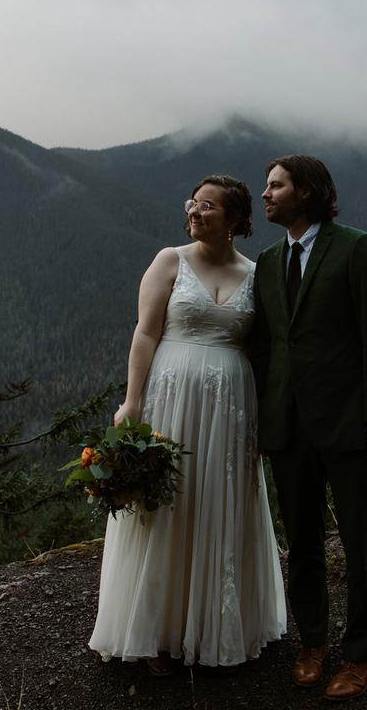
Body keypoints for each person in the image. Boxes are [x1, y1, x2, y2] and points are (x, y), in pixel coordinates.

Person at [88, 175, 287, 675]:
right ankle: (154, 633)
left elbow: (267, 346)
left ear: (237, 220)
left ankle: (218, 626)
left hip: (233, 404)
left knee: (220, 502)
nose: (195, 212)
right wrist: (132, 402)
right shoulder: (170, 260)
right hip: (170, 398)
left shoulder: (258, 272)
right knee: (166, 505)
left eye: (208, 206)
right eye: (192, 203)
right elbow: (145, 332)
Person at [250, 153, 367, 701]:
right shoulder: (267, 260)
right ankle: (312, 643)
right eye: (267, 187)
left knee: (361, 544)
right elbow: (268, 347)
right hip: (289, 428)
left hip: (350, 424)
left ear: (306, 192)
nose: (265, 195)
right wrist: (266, 420)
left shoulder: (357, 248)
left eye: (276, 186)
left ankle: (361, 655)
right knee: (303, 542)